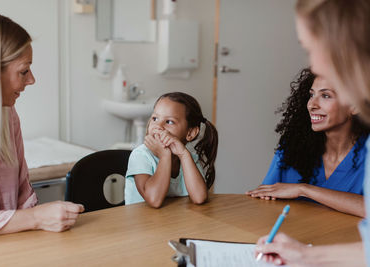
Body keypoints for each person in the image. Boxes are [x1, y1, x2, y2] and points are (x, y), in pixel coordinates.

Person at [255, 0, 370, 266]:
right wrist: (305, 255)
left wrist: (304, 190)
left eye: (312, 49)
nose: (315, 66)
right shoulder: (295, 146)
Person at [0, 12, 84, 239]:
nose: (32, 80)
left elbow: (23, 192)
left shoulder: (8, 116)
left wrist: (46, 218)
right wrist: (35, 218)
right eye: (23, 71)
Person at [246, 68, 369, 217]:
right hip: (295, 237)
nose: (311, 105)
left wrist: (304, 190)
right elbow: (265, 197)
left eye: (325, 95)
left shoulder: (367, 152)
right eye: (312, 95)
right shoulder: (294, 146)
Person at [124, 92, 218, 208]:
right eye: (155, 118)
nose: (158, 126)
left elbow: (199, 198)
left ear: (190, 133)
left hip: (173, 223)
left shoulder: (189, 158)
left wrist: (183, 155)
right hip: (143, 225)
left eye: (169, 122)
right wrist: (165, 156)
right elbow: (154, 200)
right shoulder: (141, 155)